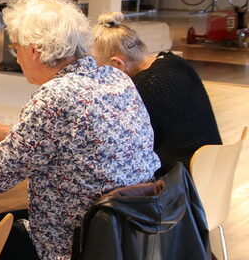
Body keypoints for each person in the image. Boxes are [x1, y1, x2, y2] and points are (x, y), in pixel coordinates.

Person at [0, 0, 160, 260]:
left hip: (80, 252)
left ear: (34, 51)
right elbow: (70, 144)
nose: (15, 57)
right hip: (133, 237)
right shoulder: (116, 79)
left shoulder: (54, 98)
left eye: (15, 48)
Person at [92, 11, 221, 176]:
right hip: (214, 171)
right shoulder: (176, 63)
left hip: (177, 187)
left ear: (117, 65)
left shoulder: (140, 89)